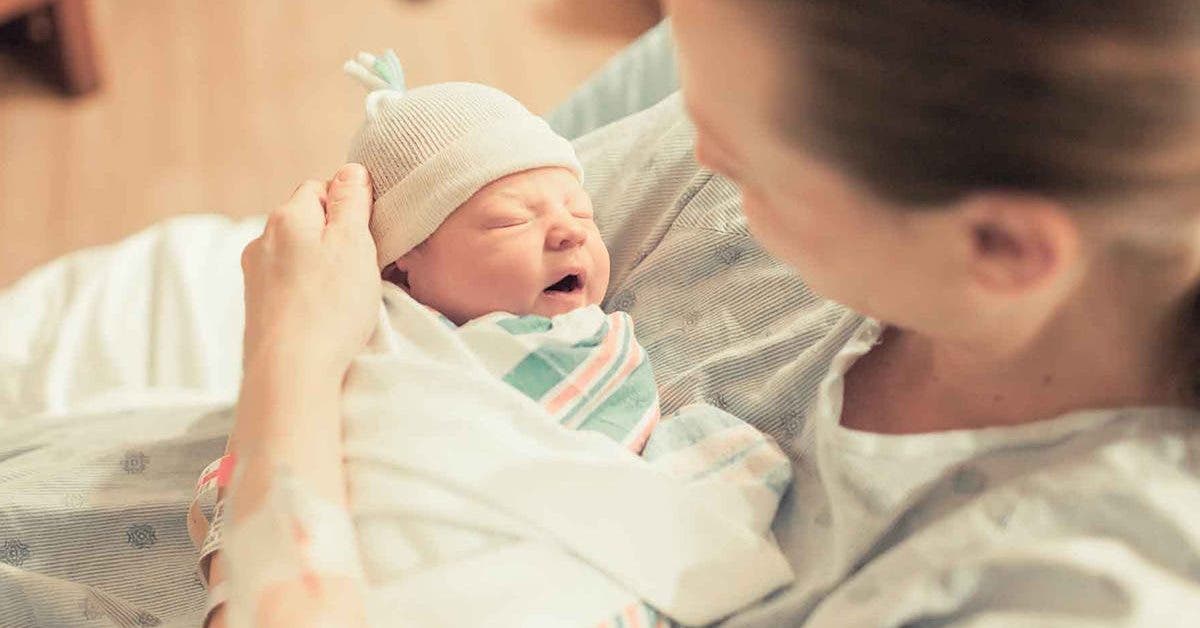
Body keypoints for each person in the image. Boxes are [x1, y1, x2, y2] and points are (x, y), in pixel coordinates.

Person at [218, 0, 1200, 625]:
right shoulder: (764, 124)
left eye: (735, 151)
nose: (694, 151)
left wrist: (292, 365)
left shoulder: (1062, 582)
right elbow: (432, 270)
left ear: (1000, 249)